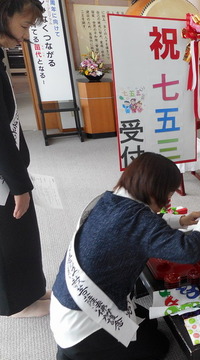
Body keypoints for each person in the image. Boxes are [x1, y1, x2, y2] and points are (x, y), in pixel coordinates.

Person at [50, 153, 200, 360]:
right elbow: (191, 250)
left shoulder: (109, 200)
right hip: (85, 327)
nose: (169, 199)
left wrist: (182, 220)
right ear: (154, 190)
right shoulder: (135, 220)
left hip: (66, 307)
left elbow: (142, 224)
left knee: (149, 325)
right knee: (158, 346)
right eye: (168, 193)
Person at [0, 0, 50, 318]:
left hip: (12, 167)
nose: (27, 35)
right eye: (25, 25)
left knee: (24, 232)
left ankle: (30, 291)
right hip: (4, 174)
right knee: (9, 236)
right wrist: (19, 183)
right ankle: (16, 304)